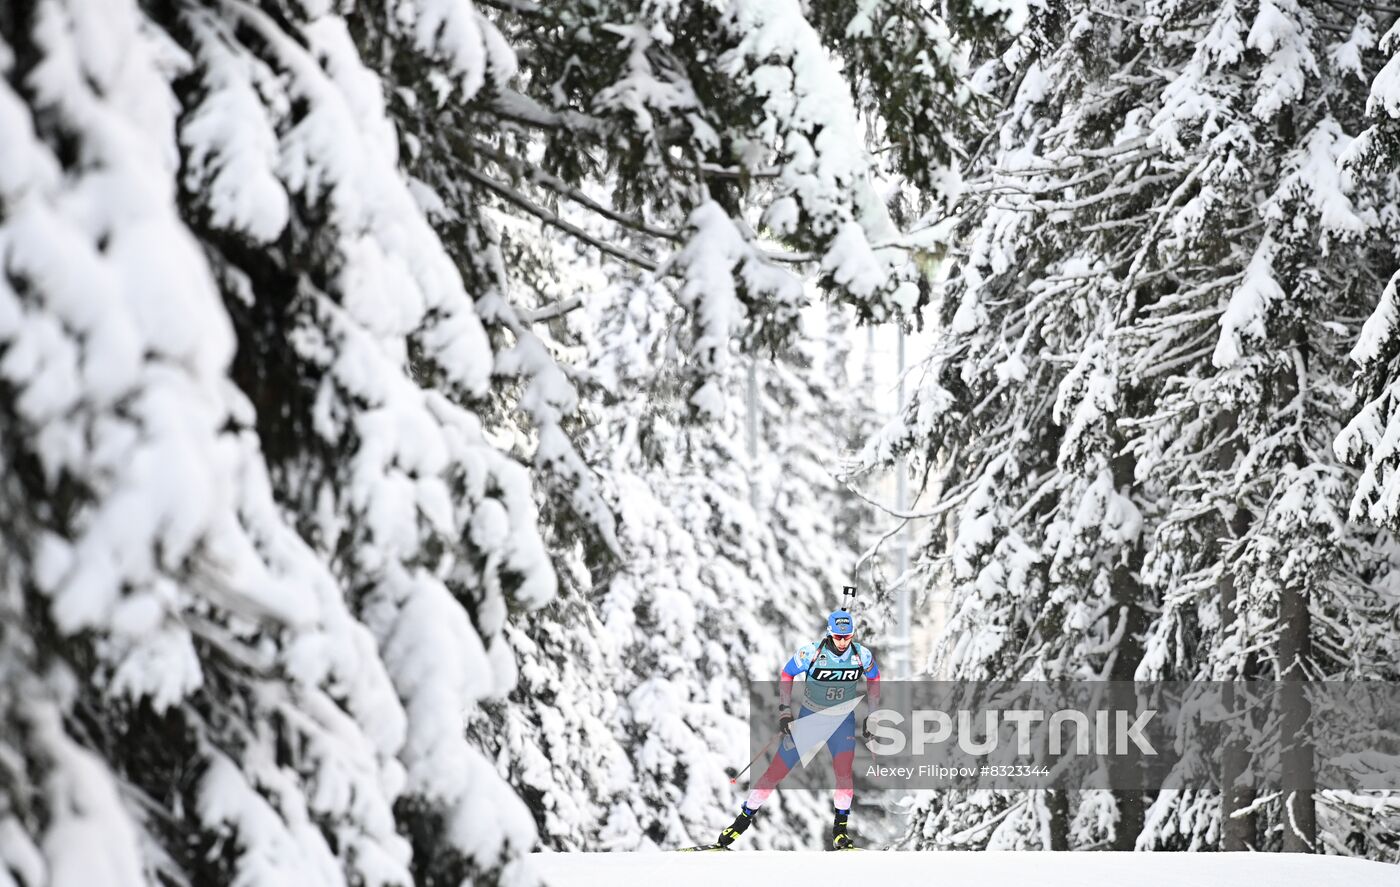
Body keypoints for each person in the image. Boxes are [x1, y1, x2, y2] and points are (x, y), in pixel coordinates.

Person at [714, 609, 881, 850]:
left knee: (843, 774)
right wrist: (784, 710)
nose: (844, 643)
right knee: (776, 771)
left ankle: (840, 832)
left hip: (841, 721)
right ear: (829, 634)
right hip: (810, 719)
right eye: (838, 637)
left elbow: (874, 679)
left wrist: (873, 715)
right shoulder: (811, 653)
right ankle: (740, 823)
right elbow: (787, 673)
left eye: (848, 637)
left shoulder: (860, 655)